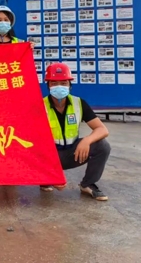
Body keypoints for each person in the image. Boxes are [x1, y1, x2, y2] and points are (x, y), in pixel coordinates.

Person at [41, 63, 111, 201]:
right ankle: (46, 178)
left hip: (72, 153)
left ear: (70, 85)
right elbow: (29, 140)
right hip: (48, 156)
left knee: (102, 146)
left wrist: (86, 140)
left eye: (63, 83)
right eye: (54, 83)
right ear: (48, 85)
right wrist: (52, 173)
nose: (59, 87)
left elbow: (102, 129)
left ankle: (87, 184)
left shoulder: (79, 103)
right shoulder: (40, 105)